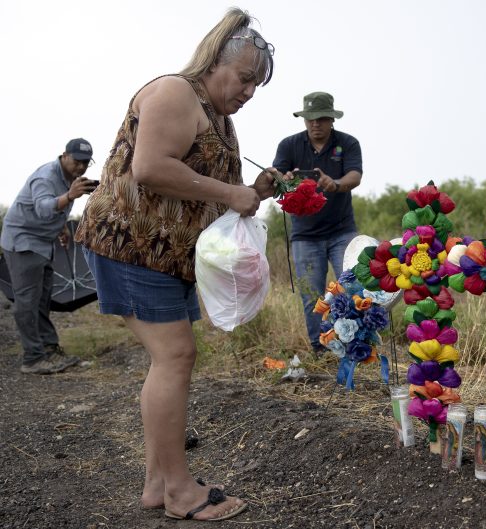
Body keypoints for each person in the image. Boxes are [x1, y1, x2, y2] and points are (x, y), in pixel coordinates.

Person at [74, 8, 276, 522]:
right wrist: (233, 191)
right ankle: (180, 492)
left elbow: (204, 193)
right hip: (130, 243)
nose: (250, 91)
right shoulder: (174, 93)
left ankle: (157, 484)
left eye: (257, 84)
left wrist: (252, 193)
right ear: (215, 62)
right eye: (246, 78)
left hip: (165, 256)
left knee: (173, 359)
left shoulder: (217, 116)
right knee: (175, 357)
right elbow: (150, 168)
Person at [272, 92, 362, 356]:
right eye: (310, 119)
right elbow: (276, 173)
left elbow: (355, 176)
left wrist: (334, 185)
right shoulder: (289, 145)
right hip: (305, 234)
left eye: (321, 119)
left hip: (342, 231)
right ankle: (320, 349)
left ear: (331, 119)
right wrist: (284, 178)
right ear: (304, 119)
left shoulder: (347, 143)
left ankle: (356, 345)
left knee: (351, 289)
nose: (315, 124)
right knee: (312, 295)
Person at [1, 138, 97, 375]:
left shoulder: (67, 178)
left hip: (43, 242)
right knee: (27, 301)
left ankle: (49, 349)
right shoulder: (45, 177)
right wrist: (71, 195)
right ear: (64, 155)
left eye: (86, 163)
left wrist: (62, 225)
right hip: (23, 242)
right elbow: (43, 208)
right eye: (77, 161)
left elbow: (54, 212)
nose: (82, 167)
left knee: (43, 299)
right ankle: (33, 358)